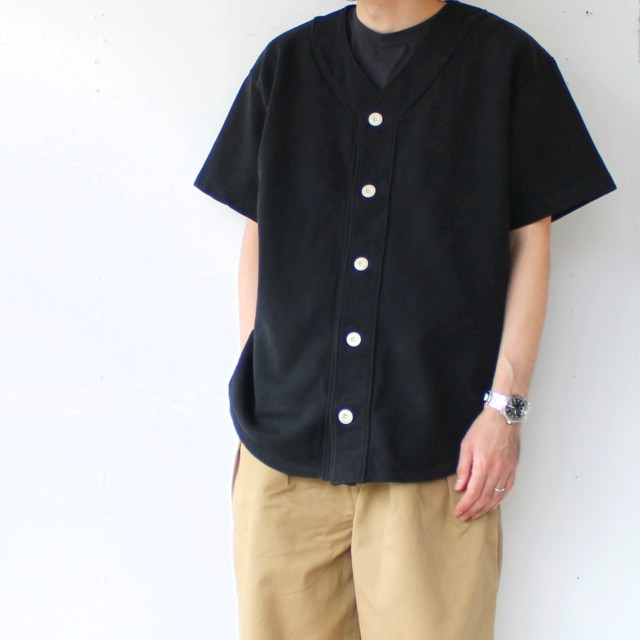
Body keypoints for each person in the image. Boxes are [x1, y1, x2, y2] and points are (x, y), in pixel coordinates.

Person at [193, 0, 617, 638]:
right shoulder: (287, 66)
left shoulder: (506, 64)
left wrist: (505, 411)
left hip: (436, 457)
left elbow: (531, 245)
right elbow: (259, 235)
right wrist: (260, 383)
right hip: (283, 461)